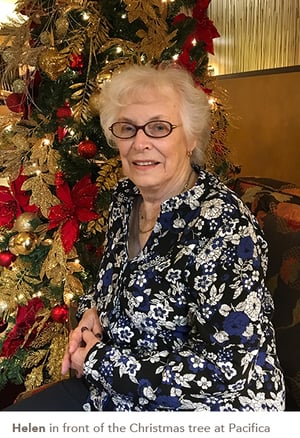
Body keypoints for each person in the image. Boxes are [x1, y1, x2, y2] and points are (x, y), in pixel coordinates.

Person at [4, 63, 285, 411]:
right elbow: (116, 278)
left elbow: (230, 371)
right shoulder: (127, 198)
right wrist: (93, 308)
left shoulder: (223, 225)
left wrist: (97, 361)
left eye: (158, 128)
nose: (140, 143)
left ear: (191, 138)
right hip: (121, 389)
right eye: (127, 128)